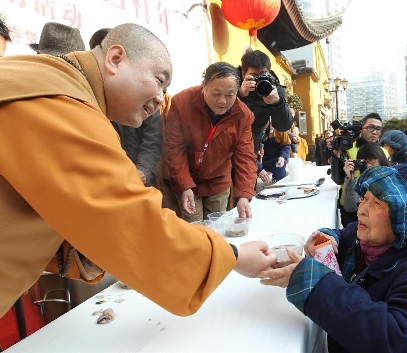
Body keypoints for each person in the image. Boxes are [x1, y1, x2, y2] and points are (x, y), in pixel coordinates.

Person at [0, 23, 276, 318]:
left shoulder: (48, 84)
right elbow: (130, 218)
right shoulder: (57, 100)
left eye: (166, 88)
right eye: (158, 80)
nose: (160, 97)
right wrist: (233, 257)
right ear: (115, 59)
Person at [260, 164, 407, 352]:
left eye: (378, 204)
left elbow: (398, 340)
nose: (361, 209)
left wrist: (315, 284)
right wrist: (328, 237)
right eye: (365, 198)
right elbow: (347, 234)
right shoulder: (376, 238)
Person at [163, 61, 257, 222]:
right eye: (216, 93)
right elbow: (174, 149)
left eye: (230, 95)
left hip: (218, 179)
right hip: (187, 177)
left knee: (218, 227)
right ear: (204, 86)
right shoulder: (182, 103)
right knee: (195, 229)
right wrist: (184, 185)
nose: (222, 101)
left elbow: (246, 157)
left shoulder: (243, 116)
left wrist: (243, 196)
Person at [89, 27, 162, 187]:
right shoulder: (86, 96)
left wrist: (143, 170)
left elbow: (152, 140)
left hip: (139, 181)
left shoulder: (148, 97)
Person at [237, 49, 293, 177]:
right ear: (242, 74)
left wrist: (276, 103)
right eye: (253, 76)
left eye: (263, 75)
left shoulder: (274, 89)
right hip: (229, 150)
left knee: (247, 192)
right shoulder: (232, 85)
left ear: (269, 73)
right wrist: (240, 95)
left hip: (251, 152)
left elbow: (284, 126)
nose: (258, 80)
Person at [329, 113, 389, 227]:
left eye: (378, 129)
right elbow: (337, 179)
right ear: (361, 128)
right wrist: (336, 156)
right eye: (370, 127)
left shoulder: (384, 152)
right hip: (351, 204)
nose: (374, 131)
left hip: (377, 204)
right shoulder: (346, 147)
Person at [342, 143, 390, 213]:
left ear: (381, 158)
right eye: (364, 162)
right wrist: (350, 177)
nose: (368, 166)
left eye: (371, 160)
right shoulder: (363, 183)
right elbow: (351, 207)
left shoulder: (392, 177)